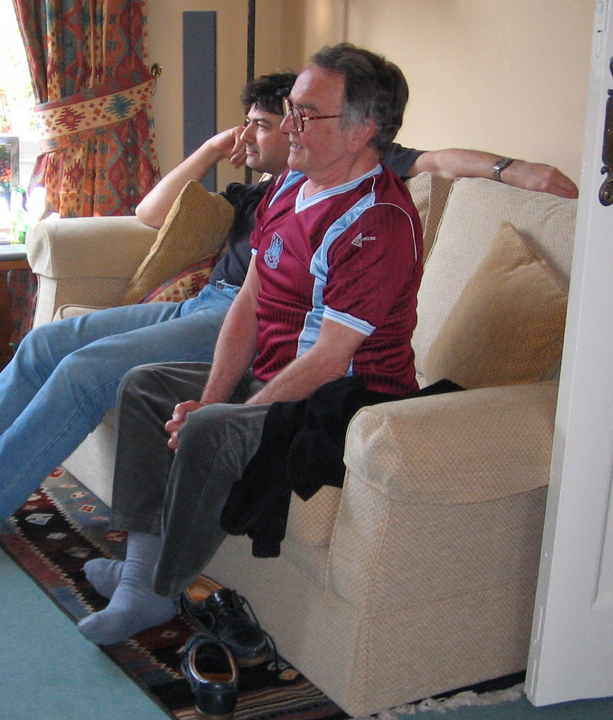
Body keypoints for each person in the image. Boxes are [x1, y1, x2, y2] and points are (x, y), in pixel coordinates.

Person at [0, 72, 577, 537]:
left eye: (274, 123)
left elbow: (435, 161)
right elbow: (152, 215)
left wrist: (513, 170)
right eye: (267, 122)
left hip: (242, 319)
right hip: (202, 304)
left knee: (88, 370)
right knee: (43, 343)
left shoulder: (352, 172)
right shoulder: (260, 191)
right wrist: (216, 147)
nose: (270, 134)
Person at [76, 44, 423, 646]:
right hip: (278, 374)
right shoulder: (290, 184)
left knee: (214, 430)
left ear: (363, 130)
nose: (287, 125)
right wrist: (212, 392)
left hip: (346, 399)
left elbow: (330, 358)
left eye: (307, 114)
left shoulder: (378, 222)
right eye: (291, 109)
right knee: (148, 385)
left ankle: (156, 591)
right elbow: (250, 301)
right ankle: (138, 570)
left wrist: (229, 412)